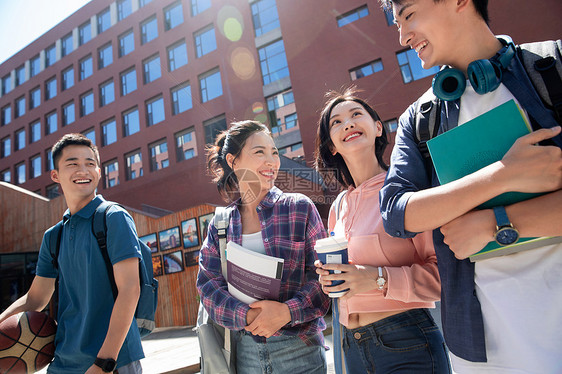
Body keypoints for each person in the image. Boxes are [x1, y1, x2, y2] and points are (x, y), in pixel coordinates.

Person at [378, 0, 562, 372]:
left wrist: (497, 223)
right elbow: (396, 212)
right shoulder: (420, 118)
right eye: (397, 23)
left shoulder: (554, 64)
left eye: (409, 15)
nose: (403, 35)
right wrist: (502, 175)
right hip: (482, 351)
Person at [314, 89, 450, 373]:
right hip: (351, 346)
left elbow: (442, 275)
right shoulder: (338, 207)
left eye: (355, 115)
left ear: (378, 128)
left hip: (406, 340)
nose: (347, 123)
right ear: (332, 147)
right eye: (336, 122)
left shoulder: (405, 189)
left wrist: (377, 278)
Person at [0, 133, 144, 373]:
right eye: (73, 163)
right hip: (62, 361)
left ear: (99, 171)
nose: (83, 170)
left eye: (90, 163)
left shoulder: (113, 218)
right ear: (55, 175)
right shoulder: (53, 236)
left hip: (112, 361)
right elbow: (35, 299)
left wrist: (104, 363)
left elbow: (130, 289)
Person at [197, 120, 330, 374]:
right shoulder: (220, 224)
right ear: (233, 161)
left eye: (275, 152)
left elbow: (323, 276)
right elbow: (207, 286)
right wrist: (246, 316)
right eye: (260, 152)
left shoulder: (298, 207)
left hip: (300, 350)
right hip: (245, 354)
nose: (272, 161)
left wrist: (286, 312)